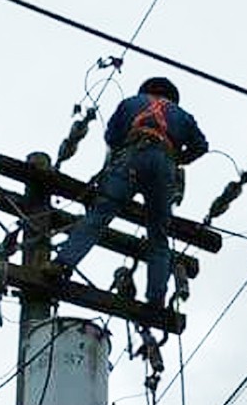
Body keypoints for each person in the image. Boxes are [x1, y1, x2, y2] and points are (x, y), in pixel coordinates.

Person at [50, 77, 209, 307]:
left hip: (132, 157)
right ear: (172, 96)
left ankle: (62, 264)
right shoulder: (183, 115)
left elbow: (112, 137)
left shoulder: (131, 103)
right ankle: (156, 298)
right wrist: (178, 159)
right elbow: (201, 146)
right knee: (158, 236)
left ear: (146, 90)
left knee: (100, 214)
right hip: (164, 166)